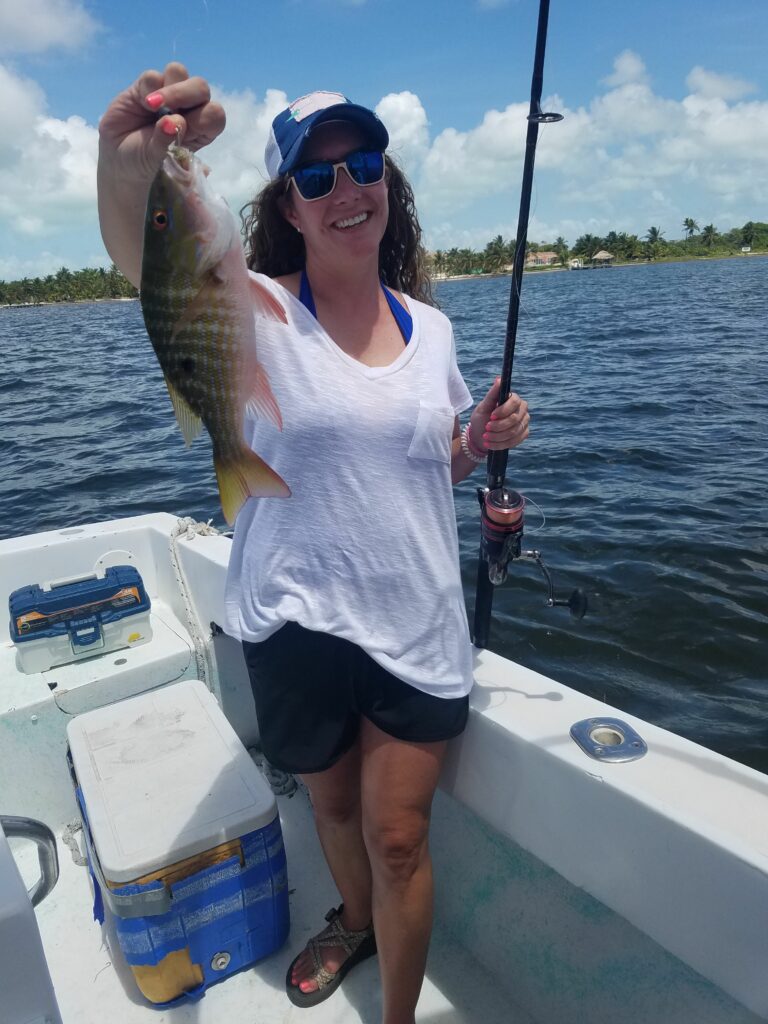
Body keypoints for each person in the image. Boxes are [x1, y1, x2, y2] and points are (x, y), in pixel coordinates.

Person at [98, 62, 530, 1024]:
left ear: (388, 183)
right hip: (293, 615)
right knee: (332, 810)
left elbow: (429, 468)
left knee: (401, 838)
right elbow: (147, 258)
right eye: (318, 176)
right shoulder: (254, 306)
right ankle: (354, 917)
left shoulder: (438, 331)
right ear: (286, 205)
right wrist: (124, 160)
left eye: (364, 164)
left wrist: (477, 444)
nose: (348, 189)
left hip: (415, 623)